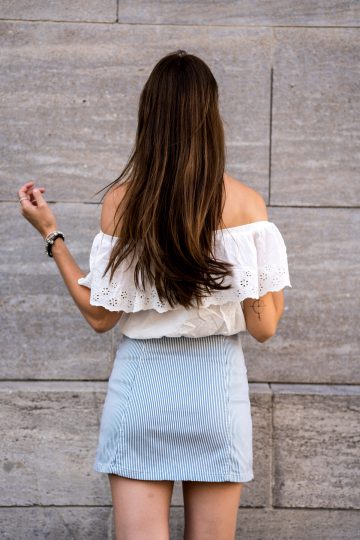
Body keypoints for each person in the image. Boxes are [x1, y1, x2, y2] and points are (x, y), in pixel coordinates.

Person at [18, 50, 291, 540]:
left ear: (150, 117)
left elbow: (100, 318)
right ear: (212, 117)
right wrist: (243, 266)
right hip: (216, 392)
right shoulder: (247, 204)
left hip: (142, 389)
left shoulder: (123, 201)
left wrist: (51, 235)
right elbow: (265, 328)